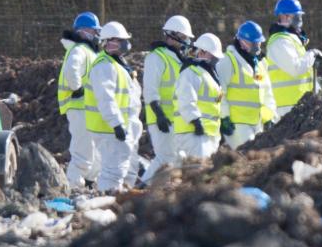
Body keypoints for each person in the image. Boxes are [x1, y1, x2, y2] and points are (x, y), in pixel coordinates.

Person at [84, 21, 142, 192]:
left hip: (120, 126)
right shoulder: (104, 66)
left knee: (126, 169)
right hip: (109, 128)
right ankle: (107, 202)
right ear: (108, 42)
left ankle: (121, 200)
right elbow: (106, 99)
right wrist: (116, 123)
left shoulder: (118, 64)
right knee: (113, 171)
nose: (125, 43)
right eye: (120, 39)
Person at [140, 15, 193, 184]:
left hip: (175, 119)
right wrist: (159, 115)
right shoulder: (157, 57)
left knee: (177, 158)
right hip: (161, 118)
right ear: (173, 36)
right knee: (165, 157)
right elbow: (150, 89)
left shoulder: (178, 60)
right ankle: (144, 187)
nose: (187, 42)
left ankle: (157, 189)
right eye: (184, 37)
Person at [57, 11, 101, 189]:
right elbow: (71, 70)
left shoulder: (88, 51)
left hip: (88, 107)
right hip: (79, 106)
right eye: (93, 30)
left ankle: (90, 181)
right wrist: (78, 89)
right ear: (83, 31)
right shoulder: (79, 50)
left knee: (93, 148)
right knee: (83, 150)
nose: (96, 35)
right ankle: (73, 185)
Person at [217, 21, 276, 149]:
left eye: (258, 42)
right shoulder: (228, 61)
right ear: (241, 41)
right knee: (245, 157)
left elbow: (267, 93)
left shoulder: (260, 65)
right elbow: (219, 92)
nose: (257, 46)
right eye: (252, 43)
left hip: (257, 124)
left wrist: (269, 117)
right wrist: (224, 117)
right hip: (237, 124)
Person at [266, 0, 322, 120]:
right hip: (287, 108)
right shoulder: (280, 42)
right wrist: (311, 54)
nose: (300, 20)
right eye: (297, 16)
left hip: (298, 105)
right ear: (285, 16)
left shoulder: (291, 40)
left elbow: (305, 75)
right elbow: (296, 69)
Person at [174, 32, 224, 159]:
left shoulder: (210, 75)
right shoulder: (191, 72)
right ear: (201, 52)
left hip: (208, 133)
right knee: (197, 171)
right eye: (212, 55)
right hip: (193, 133)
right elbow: (186, 99)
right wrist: (195, 121)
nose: (215, 59)